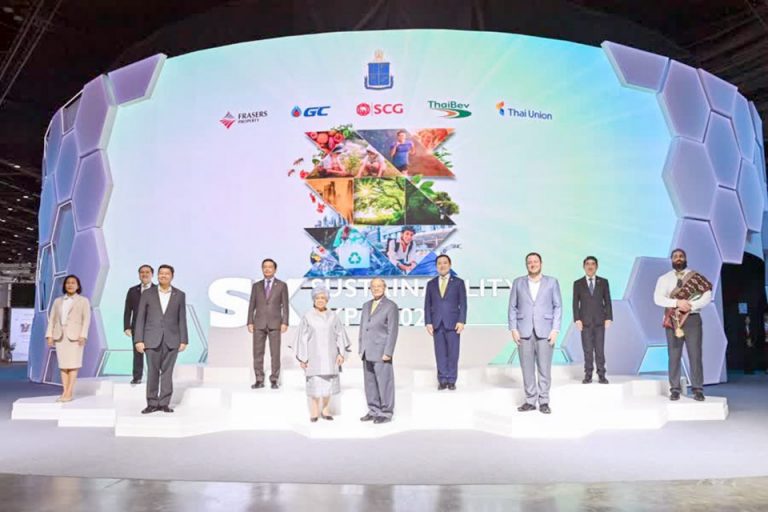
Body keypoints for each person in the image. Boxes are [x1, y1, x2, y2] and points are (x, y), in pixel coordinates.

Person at [653, 248, 712, 401]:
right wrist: (677, 303)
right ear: (671, 260)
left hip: (692, 319)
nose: (678, 258)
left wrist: (690, 305)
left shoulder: (696, 277)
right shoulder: (664, 279)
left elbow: (707, 295)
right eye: (675, 256)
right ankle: (674, 389)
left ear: (685, 259)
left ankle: (698, 389)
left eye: (681, 256)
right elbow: (658, 299)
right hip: (673, 319)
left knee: (695, 355)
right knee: (674, 355)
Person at [508, 252, 562, 414]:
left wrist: (555, 329)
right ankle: (530, 400)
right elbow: (512, 307)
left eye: (535, 261)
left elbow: (558, 306)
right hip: (523, 331)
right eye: (529, 262)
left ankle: (544, 401)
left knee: (544, 368)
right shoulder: (518, 282)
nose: (533, 264)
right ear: (527, 265)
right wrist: (513, 329)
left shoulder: (552, 282)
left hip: (546, 331)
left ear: (541, 263)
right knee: (527, 368)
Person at [134, 264, 188, 414]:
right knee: (152, 372)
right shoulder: (148, 293)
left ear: (172, 276)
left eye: (166, 274)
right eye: (161, 273)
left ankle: (164, 403)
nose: (163, 276)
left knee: (167, 373)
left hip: (172, 339)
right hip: (151, 339)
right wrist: (138, 340)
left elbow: (182, 318)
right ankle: (151, 402)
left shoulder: (180, 295)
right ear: (157, 275)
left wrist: (184, 339)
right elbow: (140, 318)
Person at [294, 286, 351, 422]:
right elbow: (302, 338)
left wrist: (341, 354)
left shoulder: (333, 316)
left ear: (327, 300)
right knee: (314, 385)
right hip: (313, 356)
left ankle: (325, 410)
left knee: (328, 385)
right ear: (313, 299)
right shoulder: (307, 316)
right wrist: (303, 358)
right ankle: (314, 412)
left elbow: (340, 335)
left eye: (323, 298)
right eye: (317, 298)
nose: (320, 300)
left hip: (330, 356)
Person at [45, 275, 91, 402]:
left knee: (73, 365)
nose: (70, 285)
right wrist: (49, 335)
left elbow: (86, 320)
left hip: (76, 337)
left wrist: (83, 335)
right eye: (68, 283)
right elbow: (52, 319)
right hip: (60, 336)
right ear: (64, 285)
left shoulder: (83, 301)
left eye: (73, 283)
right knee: (63, 366)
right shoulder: (58, 301)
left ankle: (69, 393)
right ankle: (65, 392)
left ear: (78, 285)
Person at [359, 278, 399, 424]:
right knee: (370, 383)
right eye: (373, 286)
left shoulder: (391, 306)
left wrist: (388, 352)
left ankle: (386, 412)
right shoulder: (366, 306)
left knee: (385, 383)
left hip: (382, 351)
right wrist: (361, 347)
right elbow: (363, 327)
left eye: (379, 286)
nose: (376, 288)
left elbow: (392, 331)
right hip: (367, 350)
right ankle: (373, 410)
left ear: (384, 287)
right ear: (370, 288)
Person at [424, 254, 467, 390]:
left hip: (453, 323)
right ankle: (442, 380)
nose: (442, 265)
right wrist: (428, 322)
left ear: (450, 265)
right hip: (437, 323)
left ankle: (452, 379)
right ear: (436, 266)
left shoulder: (458, 282)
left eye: (445, 263)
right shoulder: (431, 284)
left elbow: (463, 304)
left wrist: (461, 321)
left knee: (453, 353)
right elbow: (427, 304)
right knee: (440, 353)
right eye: (439, 263)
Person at [247, 258, 290, 389]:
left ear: (275, 269)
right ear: (262, 269)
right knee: (257, 353)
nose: (267, 269)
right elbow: (251, 305)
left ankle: (274, 380)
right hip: (259, 323)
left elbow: (285, 305)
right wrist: (250, 321)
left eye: (270, 267)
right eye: (265, 267)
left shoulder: (282, 285)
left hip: (275, 323)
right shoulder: (256, 286)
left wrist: (285, 322)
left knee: (275, 353)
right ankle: (259, 379)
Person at [572, 256, 613, 384]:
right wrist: (577, 319)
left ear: (596, 266)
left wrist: (609, 317)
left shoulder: (603, 282)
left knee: (600, 350)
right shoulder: (578, 283)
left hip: (600, 321)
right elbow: (575, 303)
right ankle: (588, 374)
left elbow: (607, 300)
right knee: (588, 350)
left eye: (593, 264)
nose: (590, 266)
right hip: (585, 322)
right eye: (587, 264)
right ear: (584, 266)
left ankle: (601, 375)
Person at [123, 264, 155, 384]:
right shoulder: (132, 291)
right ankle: (137, 377)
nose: (144, 274)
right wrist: (127, 326)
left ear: (152, 274)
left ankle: (154, 377)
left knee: (153, 353)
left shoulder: (157, 290)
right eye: (142, 272)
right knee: (137, 353)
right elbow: (127, 310)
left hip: (154, 327)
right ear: (139, 275)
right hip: (137, 327)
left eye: (147, 272)